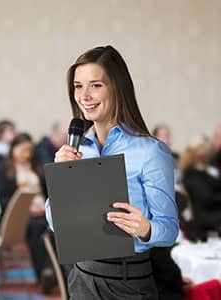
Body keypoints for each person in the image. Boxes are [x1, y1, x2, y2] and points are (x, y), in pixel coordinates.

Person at [45, 45, 179, 299]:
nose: (85, 95)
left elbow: (170, 230)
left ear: (117, 88)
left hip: (128, 282)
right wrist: (61, 177)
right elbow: (55, 225)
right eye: (78, 86)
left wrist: (145, 229)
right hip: (82, 278)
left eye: (96, 85)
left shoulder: (151, 151)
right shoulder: (77, 148)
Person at [0, 133, 55, 293]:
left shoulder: (36, 167)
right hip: (21, 215)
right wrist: (27, 208)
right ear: (13, 150)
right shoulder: (4, 170)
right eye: (23, 150)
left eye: (30, 150)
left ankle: (52, 271)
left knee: (55, 226)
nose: (27, 154)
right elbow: (3, 199)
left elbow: (46, 192)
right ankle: (44, 272)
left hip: (43, 211)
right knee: (37, 228)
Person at [178, 135, 221, 237]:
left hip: (211, 212)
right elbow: (206, 198)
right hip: (204, 216)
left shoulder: (203, 171)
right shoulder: (191, 174)